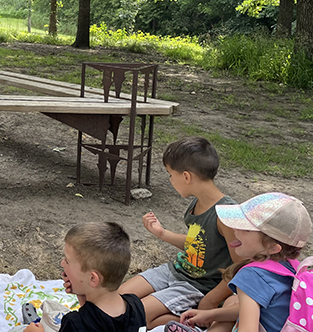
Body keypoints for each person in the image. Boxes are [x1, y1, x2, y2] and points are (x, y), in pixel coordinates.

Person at [118, 136, 240, 328]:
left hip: (198, 285)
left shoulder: (228, 215)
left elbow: (240, 268)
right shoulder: (196, 203)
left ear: (186, 177)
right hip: (175, 271)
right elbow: (198, 245)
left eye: (170, 174)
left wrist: (210, 300)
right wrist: (161, 233)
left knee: (139, 316)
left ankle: (201, 320)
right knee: (118, 299)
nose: (170, 180)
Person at [164, 192, 312, 332]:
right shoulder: (291, 265)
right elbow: (259, 307)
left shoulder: (252, 276)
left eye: (246, 229)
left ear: (273, 247)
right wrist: (211, 315)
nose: (235, 228)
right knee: (232, 301)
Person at [25, 222, 146, 332]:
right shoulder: (136, 305)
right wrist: (83, 294)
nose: (62, 263)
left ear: (93, 279)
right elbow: (99, 321)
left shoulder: (75, 324)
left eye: (67, 261)